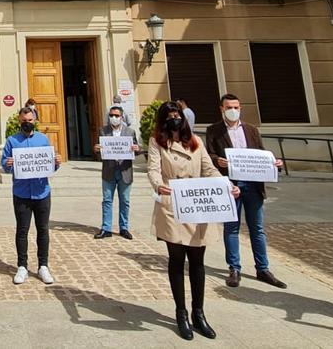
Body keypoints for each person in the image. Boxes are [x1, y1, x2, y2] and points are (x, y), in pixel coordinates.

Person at [148, 101, 238, 341]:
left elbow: (209, 169)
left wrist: (227, 186)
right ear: (163, 119)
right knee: (176, 261)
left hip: (197, 207)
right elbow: (153, 169)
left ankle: (199, 313)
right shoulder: (157, 141)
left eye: (177, 114)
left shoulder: (196, 142)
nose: (174, 118)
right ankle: (181, 313)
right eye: (169, 115)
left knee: (198, 262)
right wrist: (159, 185)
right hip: (172, 206)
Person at [204, 93, 287, 289]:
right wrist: (218, 161)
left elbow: (262, 153)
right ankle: (234, 269)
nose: (233, 110)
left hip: (253, 186)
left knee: (257, 229)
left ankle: (263, 268)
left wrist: (275, 163)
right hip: (231, 186)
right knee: (231, 228)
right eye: (229, 107)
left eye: (236, 107)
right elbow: (209, 154)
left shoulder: (251, 130)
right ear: (222, 109)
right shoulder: (213, 131)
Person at [1, 107, 60, 285]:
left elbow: (51, 165)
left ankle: (43, 265)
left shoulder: (43, 140)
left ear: (35, 121)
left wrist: (56, 162)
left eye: (30, 120)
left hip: (42, 192)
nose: (27, 123)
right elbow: (4, 163)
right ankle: (22, 266)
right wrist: (8, 163)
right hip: (21, 193)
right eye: (24, 120)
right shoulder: (12, 141)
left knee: (43, 229)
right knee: (22, 230)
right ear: (20, 121)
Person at [92, 105, 140, 240]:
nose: (114, 118)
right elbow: (100, 151)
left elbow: (136, 150)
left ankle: (124, 227)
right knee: (107, 200)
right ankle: (106, 228)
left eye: (116, 115)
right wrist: (97, 149)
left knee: (125, 200)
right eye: (111, 115)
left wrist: (137, 148)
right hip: (109, 171)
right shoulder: (103, 131)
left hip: (125, 170)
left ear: (122, 117)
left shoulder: (130, 132)